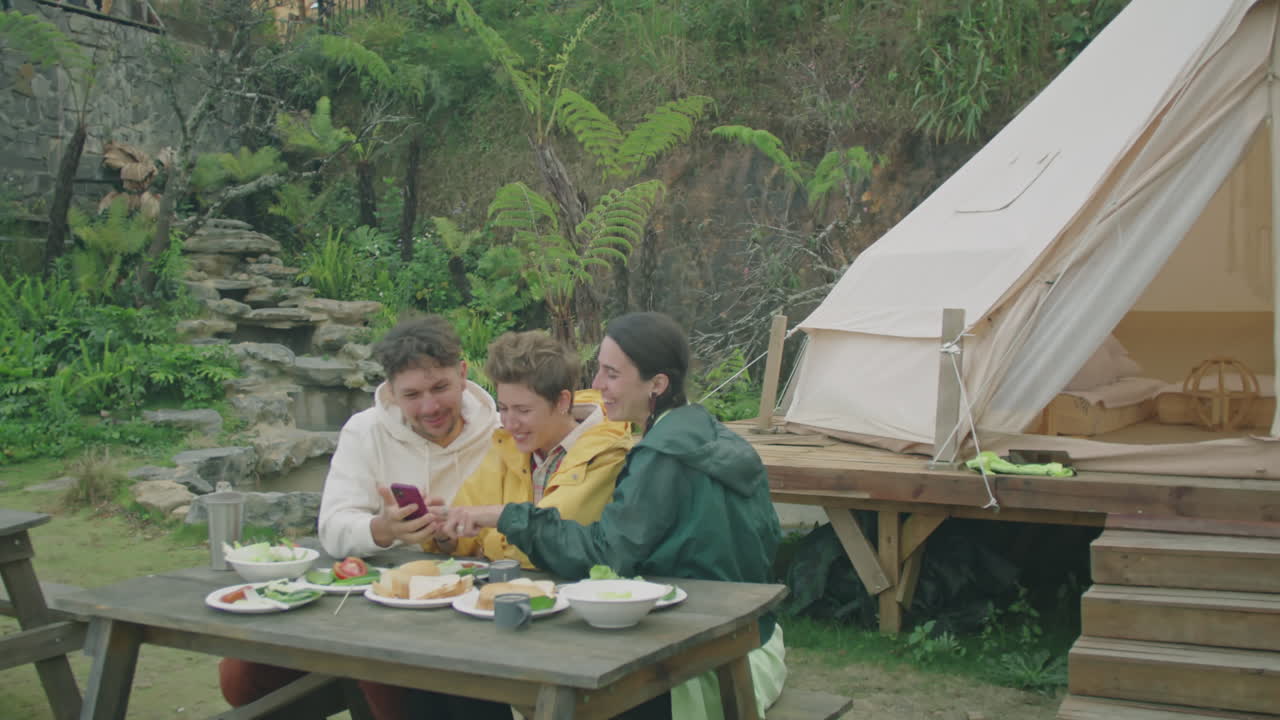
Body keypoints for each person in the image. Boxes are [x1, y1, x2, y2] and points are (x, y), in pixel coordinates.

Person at [433, 312, 787, 720]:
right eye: (599, 370)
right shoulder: (707, 433)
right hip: (751, 638)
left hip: (700, 667)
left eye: (612, 374)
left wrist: (505, 516)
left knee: (529, 688)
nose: (597, 385)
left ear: (657, 384)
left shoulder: (661, 455)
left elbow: (605, 554)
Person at [219, 314, 505, 720]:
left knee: (386, 673)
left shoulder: (501, 431)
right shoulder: (365, 431)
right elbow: (333, 527)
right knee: (243, 677)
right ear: (390, 391)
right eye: (412, 395)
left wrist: (453, 534)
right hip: (371, 600)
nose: (430, 407)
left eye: (441, 388)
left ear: (462, 374)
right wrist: (383, 529)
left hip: (466, 603)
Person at [425, 330, 633, 566]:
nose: (510, 423)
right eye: (503, 408)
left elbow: (549, 543)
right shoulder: (505, 446)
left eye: (524, 410)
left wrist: (490, 535)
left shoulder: (607, 454)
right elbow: (466, 533)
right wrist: (444, 535)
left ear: (562, 401)